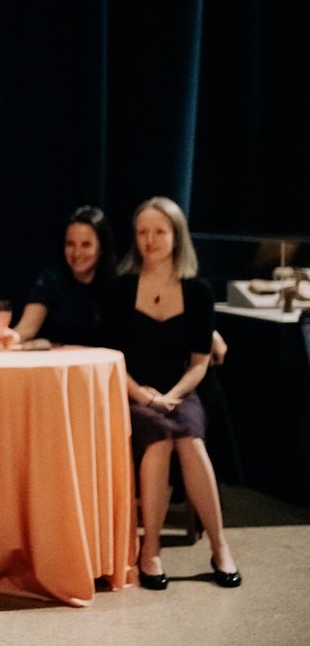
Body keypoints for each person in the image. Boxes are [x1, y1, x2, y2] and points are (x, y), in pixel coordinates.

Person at [100, 196, 240, 591]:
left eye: (159, 231)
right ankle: (151, 550)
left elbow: (199, 362)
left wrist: (173, 394)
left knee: (190, 438)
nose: (149, 239)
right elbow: (113, 358)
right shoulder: (120, 288)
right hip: (132, 391)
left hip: (182, 390)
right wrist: (144, 397)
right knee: (159, 438)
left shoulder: (197, 291)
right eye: (142, 232)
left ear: (177, 237)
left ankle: (220, 546)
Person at [1, 205, 116, 348]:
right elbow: (26, 329)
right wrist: (11, 337)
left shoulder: (117, 285)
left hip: (100, 367)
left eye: (86, 245)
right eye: (70, 244)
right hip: (59, 367)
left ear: (101, 249)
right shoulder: (51, 279)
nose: (77, 253)